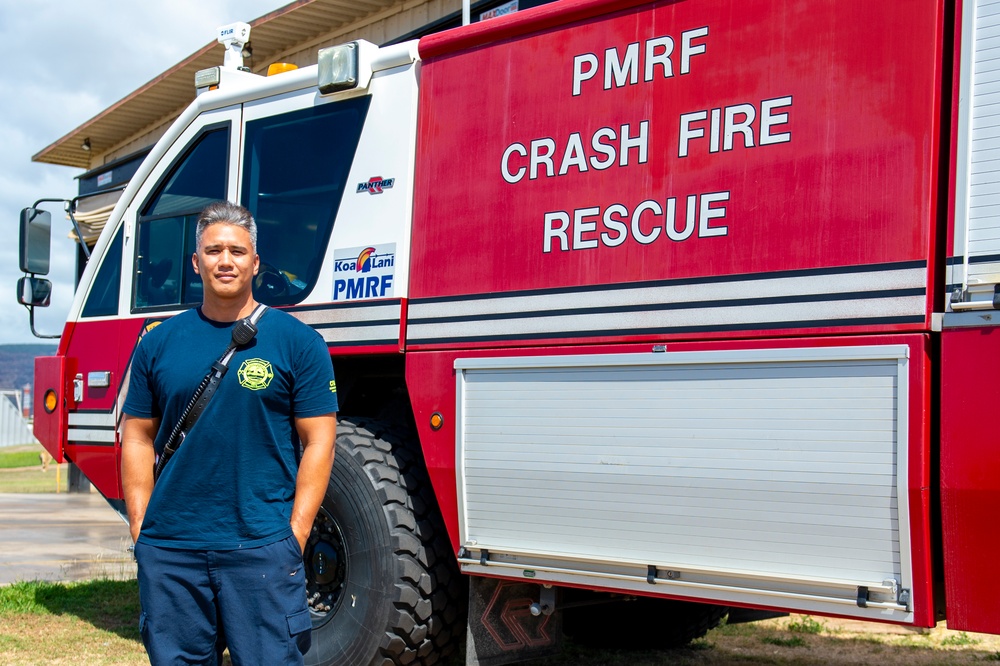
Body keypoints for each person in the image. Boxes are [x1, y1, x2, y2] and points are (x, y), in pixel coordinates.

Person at [121, 201, 338, 665]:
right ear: (196, 262)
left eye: (237, 251)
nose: (226, 261)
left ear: (255, 263)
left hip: (261, 549)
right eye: (213, 250)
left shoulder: (298, 342)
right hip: (171, 552)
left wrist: (293, 535)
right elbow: (137, 436)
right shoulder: (157, 343)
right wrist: (142, 528)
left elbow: (320, 440)